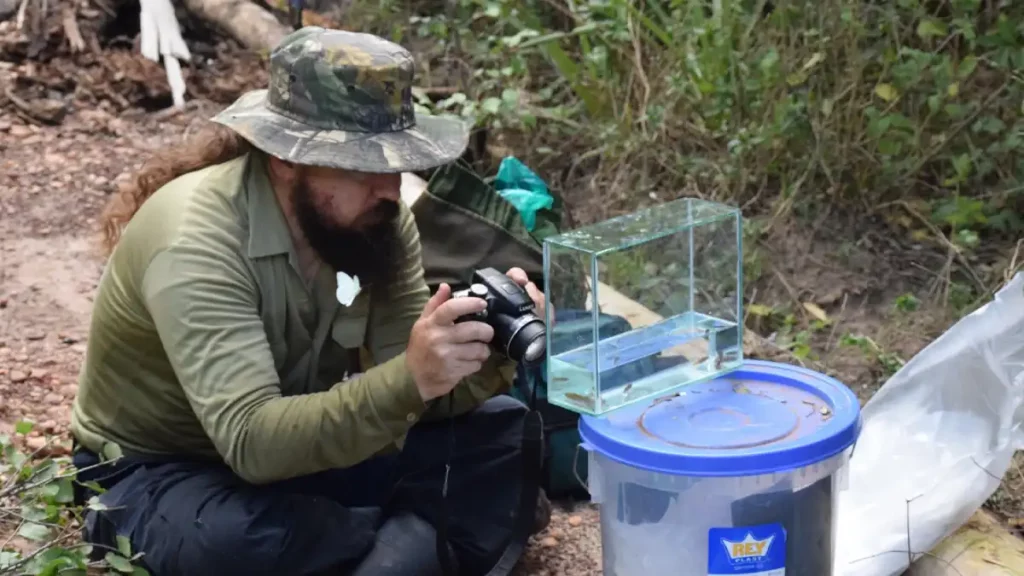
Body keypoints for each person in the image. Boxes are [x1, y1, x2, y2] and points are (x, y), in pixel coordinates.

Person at [69, 26, 549, 576]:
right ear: (284, 159)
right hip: (163, 469)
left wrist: (479, 351)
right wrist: (412, 378)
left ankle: (369, 544)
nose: (390, 190)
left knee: (503, 432)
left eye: (396, 164)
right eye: (363, 166)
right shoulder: (195, 240)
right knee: (237, 541)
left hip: (296, 456)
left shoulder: (376, 223)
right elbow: (251, 441)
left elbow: (413, 394)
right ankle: (409, 540)